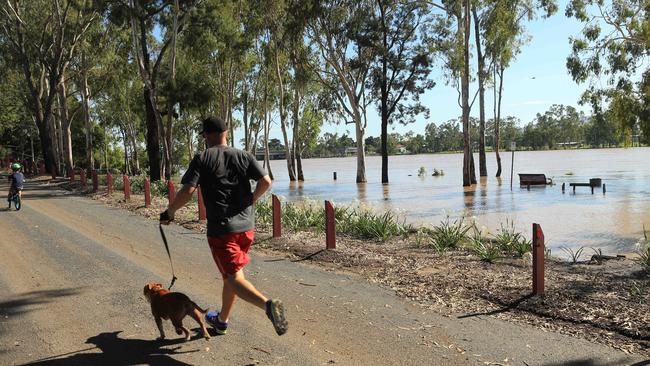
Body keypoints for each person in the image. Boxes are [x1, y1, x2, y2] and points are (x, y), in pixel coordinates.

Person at [159, 116, 288, 336]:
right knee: (230, 275)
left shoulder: (203, 157)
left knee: (234, 278)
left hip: (222, 230)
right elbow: (266, 181)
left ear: (206, 135)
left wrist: (169, 212)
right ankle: (221, 321)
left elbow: (188, 191)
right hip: (247, 228)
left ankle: (268, 305)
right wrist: (251, 201)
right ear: (226, 132)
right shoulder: (244, 155)